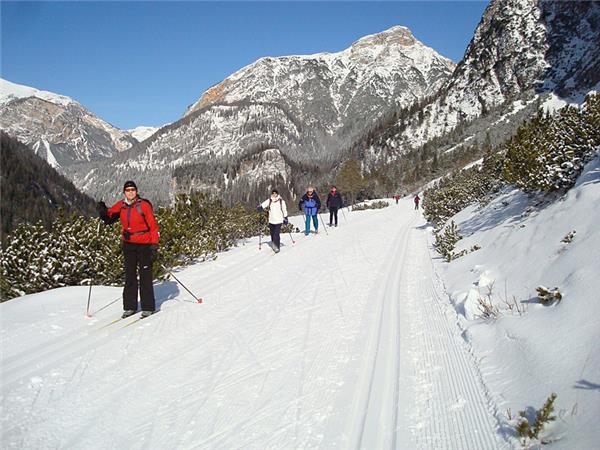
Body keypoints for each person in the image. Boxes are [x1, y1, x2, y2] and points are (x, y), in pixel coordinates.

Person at [97, 181, 160, 319]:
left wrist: (154, 245)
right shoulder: (122, 205)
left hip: (144, 244)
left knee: (145, 275)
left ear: (136, 191)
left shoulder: (144, 205)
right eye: (128, 190)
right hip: (129, 245)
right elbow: (110, 215)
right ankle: (130, 306)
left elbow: (154, 226)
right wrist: (102, 210)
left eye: (133, 189)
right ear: (124, 192)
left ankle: (148, 307)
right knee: (130, 275)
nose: (130, 192)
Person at [257, 189, 288, 253]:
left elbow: (284, 210)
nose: (274, 194)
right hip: (271, 220)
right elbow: (263, 205)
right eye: (273, 193)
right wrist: (260, 208)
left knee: (276, 234)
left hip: (279, 220)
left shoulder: (281, 201)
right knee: (272, 234)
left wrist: (285, 217)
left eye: (275, 193)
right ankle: (274, 244)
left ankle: (277, 247)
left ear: (277, 194)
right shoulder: (269, 200)